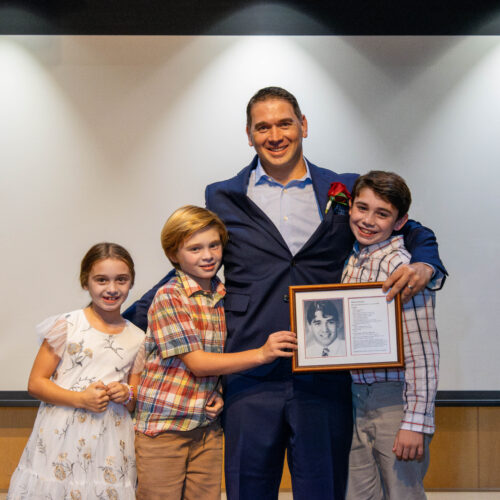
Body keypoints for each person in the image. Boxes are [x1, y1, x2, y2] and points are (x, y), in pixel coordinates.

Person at [124, 86, 446, 500]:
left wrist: (426, 264)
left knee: (322, 490)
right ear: (249, 134)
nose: (274, 135)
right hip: (249, 372)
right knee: (248, 489)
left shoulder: (344, 188)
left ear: (303, 126)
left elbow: (411, 227)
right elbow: (189, 264)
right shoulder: (222, 194)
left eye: (284, 124)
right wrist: (113, 322)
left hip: (325, 376)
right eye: (263, 127)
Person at [133, 205, 297, 500]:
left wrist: (219, 390)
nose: (207, 255)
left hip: (207, 428)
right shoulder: (170, 296)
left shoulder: (222, 295)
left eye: (214, 245)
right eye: (194, 249)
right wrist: (262, 354)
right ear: (173, 254)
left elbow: (222, 355)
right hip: (164, 429)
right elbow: (197, 362)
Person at [8, 243, 145, 500]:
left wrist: (126, 393)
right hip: (61, 436)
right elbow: (36, 383)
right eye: (101, 280)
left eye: (121, 280)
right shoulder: (67, 325)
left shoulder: (138, 338)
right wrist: (81, 399)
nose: (112, 288)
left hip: (110, 442)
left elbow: (134, 397)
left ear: (131, 282)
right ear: (85, 282)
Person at [342, 171, 440, 500]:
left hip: (395, 403)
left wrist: (415, 422)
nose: (368, 220)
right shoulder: (352, 259)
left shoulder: (402, 268)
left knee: (402, 493)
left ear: (400, 222)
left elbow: (423, 352)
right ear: (350, 207)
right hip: (355, 400)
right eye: (362, 208)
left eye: (382, 213)